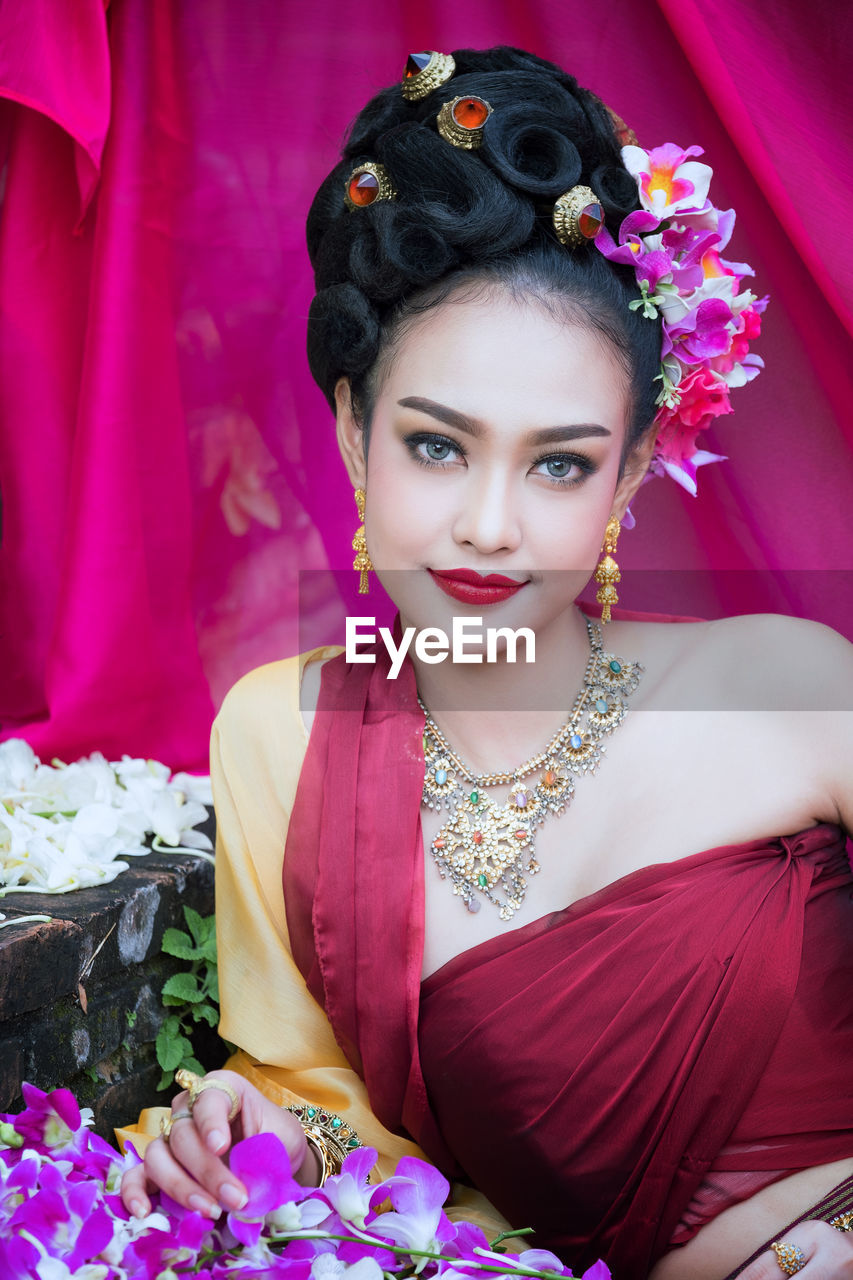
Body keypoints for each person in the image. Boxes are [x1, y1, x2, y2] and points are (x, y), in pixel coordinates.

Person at [119, 46, 853, 1280]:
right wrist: (268, 1132)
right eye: (437, 447)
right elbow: (322, 1088)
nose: (490, 524)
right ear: (355, 434)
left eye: (559, 462)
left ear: (626, 475)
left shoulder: (794, 685)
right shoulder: (280, 732)